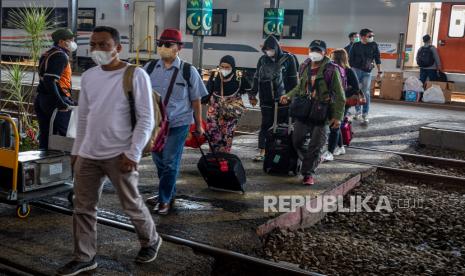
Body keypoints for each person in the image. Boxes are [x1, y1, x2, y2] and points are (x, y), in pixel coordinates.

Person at [58, 26, 161, 276]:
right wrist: (77, 150)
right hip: (89, 154)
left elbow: (146, 119)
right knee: (82, 208)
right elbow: (83, 117)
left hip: (120, 154)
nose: (97, 49)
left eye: (104, 44)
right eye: (93, 44)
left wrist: (133, 153)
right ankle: (85, 256)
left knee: (131, 204)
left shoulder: (135, 75)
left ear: (118, 48)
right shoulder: (90, 76)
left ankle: (151, 240)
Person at [144, 28, 208, 215]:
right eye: (161, 44)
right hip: (156, 126)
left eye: (168, 44)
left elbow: (196, 100)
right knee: (159, 161)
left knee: (170, 162)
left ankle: (164, 200)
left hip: (178, 123)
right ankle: (167, 193)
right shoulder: (148, 68)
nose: (163, 47)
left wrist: (198, 125)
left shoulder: (189, 71)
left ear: (179, 47)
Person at [280, 40, 345, 185]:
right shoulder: (304, 66)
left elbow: (340, 96)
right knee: (296, 141)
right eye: (312, 50)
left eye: (318, 50)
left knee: (316, 144)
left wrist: (337, 117)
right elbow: (299, 87)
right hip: (304, 109)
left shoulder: (331, 69)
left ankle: (308, 173)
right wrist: (288, 95)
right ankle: (314, 159)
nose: (315, 53)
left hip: (322, 111)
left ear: (324, 52)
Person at [249, 35, 298, 161]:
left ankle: (280, 150)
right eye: (266, 49)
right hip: (266, 98)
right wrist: (252, 94)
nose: (268, 51)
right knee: (265, 124)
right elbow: (256, 77)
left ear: (277, 48)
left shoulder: (289, 59)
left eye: (271, 49)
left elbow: (293, 80)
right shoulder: (262, 60)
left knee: (283, 125)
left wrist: (291, 96)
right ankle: (262, 150)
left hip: (283, 99)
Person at [35, 28, 77, 149]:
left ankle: (45, 163)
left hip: (42, 99)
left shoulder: (47, 54)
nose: (73, 42)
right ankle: (61, 164)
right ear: (62, 42)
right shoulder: (60, 56)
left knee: (46, 135)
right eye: (71, 40)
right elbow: (50, 80)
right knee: (64, 136)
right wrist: (61, 103)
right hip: (54, 101)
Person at [204, 55, 252, 153]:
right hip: (214, 110)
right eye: (222, 67)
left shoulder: (239, 76)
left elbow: (249, 89)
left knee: (227, 134)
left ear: (232, 67)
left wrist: (252, 98)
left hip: (230, 111)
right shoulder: (215, 75)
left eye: (227, 67)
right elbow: (208, 90)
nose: (224, 69)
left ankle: (224, 156)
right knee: (212, 131)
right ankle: (213, 155)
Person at [322, 48, 360, 162]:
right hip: (333, 101)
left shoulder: (348, 71)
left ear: (337, 58)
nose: (330, 59)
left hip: (343, 102)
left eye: (332, 57)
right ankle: (340, 147)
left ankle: (330, 151)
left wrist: (342, 93)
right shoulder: (333, 70)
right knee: (334, 124)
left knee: (334, 125)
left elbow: (356, 88)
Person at [349, 28, 382, 125]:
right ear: (363, 37)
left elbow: (377, 58)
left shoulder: (374, 45)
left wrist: (379, 71)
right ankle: (357, 111)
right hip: (356, 70)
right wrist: (350, 71)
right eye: (370, 36)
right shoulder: (355, 45)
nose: (372, 37)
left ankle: (365, 113)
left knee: (366, 92)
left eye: (372, 36)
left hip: (367, 72)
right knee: (355, 90)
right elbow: (350, 59)